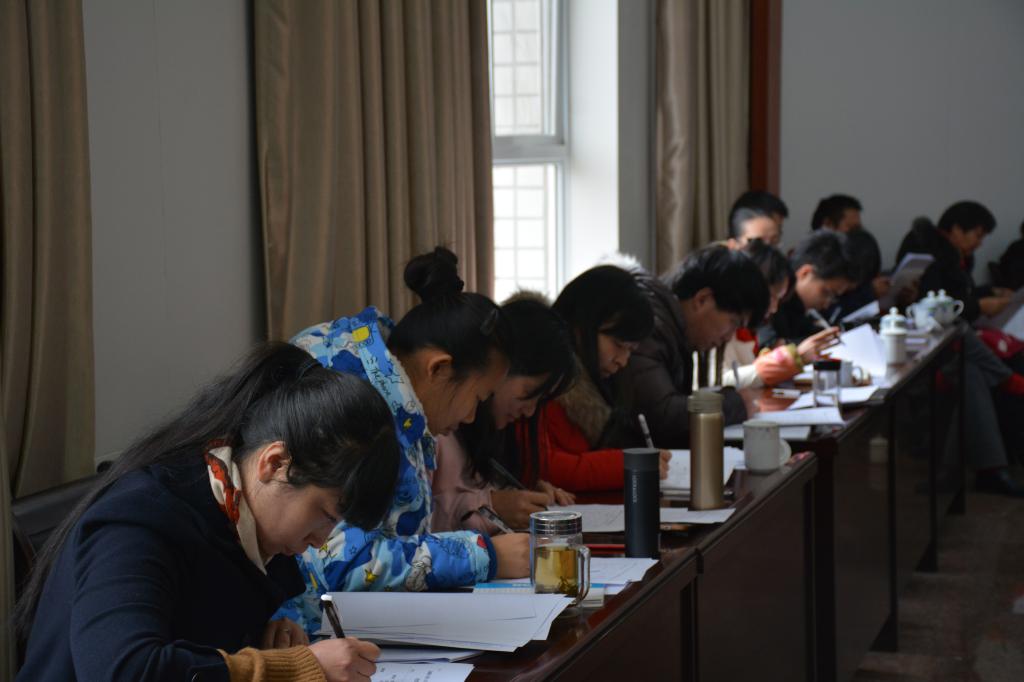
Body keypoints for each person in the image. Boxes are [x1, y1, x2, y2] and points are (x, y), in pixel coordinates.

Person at [15, 343, 402, 681]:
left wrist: (258, 648)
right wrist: (294, 669)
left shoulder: (237, 522)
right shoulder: (139, 522)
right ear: (275, 463)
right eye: (326, 516)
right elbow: (127, 670)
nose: (320, 541)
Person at [279, 247, 529, 635]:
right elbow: (342, 564)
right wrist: (485, 556)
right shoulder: (354, 403)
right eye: (477, 398)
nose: (470, 417)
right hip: (299, 634)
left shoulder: (378, 382)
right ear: (439, 368)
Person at [432, 294, 578, 532]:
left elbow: (470, 492)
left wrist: (520, 497)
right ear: (498, 368)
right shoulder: (438, 428)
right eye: (529, 392)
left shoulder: (483, 433)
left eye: (540, 401)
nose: (530, 411)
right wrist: (492, 506)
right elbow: (414, 530)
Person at [524, 265, 666, 493]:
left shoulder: (599, 381)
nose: (622, 361)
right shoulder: (539, 375)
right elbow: (544, 466)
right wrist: (629, 464)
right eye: (618, 345)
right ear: (581, 326)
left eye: (630, 350)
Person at [615, 245, 769, 447]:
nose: (729, 337)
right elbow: (662, 417)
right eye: (733, 322)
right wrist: (735, 405)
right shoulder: (650, 324)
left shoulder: (673, 323)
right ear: (702, 300)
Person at [722, 240, 839, 388]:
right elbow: (722, 381)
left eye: (778, 300)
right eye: (771, 297)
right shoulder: (721, 322)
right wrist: (794, 358)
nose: (774, 308)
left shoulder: (748, 328)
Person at [896, 201, 1011, 322]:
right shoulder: (928, 250)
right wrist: (979, 307)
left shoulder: (960, 255)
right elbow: (933, 302)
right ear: (957, 229)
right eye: (978, 236)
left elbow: (962, 293)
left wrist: (991, 291)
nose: (980, 243)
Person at [762, 230, 859, 348]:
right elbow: (768, 346)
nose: (826, 304)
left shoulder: (803, 310)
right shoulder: (771, 298)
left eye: (833, 297)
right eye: (826, 293)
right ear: (805, 273)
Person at [996, 220, 1024, 291]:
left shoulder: (1015, 245)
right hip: (1016, 288)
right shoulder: (1017, 246)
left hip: (1010, 286)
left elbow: (1002, 262)